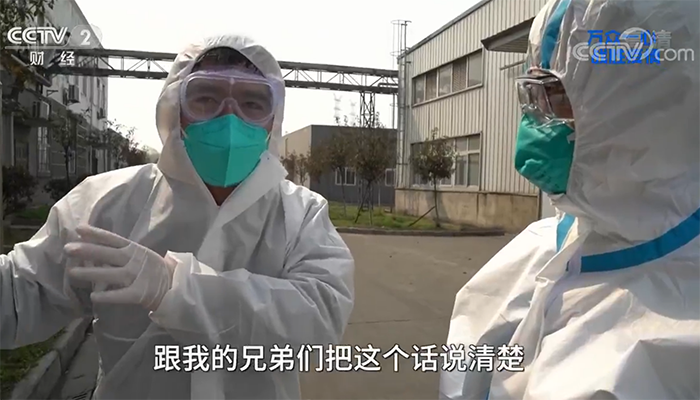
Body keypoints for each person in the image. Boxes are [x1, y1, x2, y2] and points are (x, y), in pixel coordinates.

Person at [0, 34, 355, 400]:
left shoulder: (301, 213)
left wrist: (174, 288)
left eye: (252, 103)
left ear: (273, 120)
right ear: (175, 108)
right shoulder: (104, 202)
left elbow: (321, 317)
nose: (229, 119)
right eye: (206, 98)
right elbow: (21, 292)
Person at [440, 0, 700, 398]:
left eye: (554, 95)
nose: (533, 125)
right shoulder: (538, 249)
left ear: (644, 108)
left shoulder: (681, 334)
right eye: (531, 96)